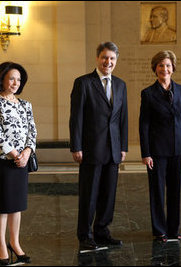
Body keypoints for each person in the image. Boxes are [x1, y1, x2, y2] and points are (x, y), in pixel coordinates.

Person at [69, 41, 128, 252]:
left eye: (112, 58)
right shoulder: (83, 83)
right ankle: (85, 235)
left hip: (113, 149)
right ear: (97, 58)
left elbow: (123, 118)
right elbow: (76, 118)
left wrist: (123, 146)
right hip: (90, 148)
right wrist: (76, 146)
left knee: (108, 194)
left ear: (116, 61)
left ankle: (102, 232)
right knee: (89, 194)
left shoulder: (121, 85)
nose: (108, 62)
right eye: (105, 57)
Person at [139, 50, 181, 243]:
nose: (165, 68)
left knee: (175, 190)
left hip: (179, 149)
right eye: (161, 65)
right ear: (155, 68)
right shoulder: (148, 93)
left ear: (173, 68)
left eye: (168, 65)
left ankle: (173, 229)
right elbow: (144, 124)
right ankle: (159, 230)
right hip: (157, 151)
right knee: (157, 191)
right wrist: (146, 153)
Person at [0, 62, 37, 265]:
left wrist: (26, 152)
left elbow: (32, 131)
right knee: (2, 205)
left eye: (19, 79)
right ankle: (0, 244)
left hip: (21, 162)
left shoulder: (25, 104)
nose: (16, 83)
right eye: (12, 78)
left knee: (17, 205)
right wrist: (15, 154)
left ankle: (15, 243)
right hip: (2, 161)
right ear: (2, 79)